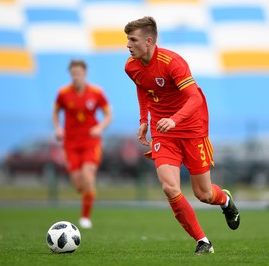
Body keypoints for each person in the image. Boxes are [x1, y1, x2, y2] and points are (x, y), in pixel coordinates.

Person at [124, 16, 240, 255]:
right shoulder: (131, 66)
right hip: (163, 133)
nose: (128, 45)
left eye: (133, 40)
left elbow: (195, 97)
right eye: (127, 40)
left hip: (191, 129)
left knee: (204, 194)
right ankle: (203, 241)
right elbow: (143, 88)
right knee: (169, 187)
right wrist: (144, 121)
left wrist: (175, 119)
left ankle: (225, 200)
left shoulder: (172, 62)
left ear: (148, 41)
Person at [53, 60, 113, 229]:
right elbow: (56, 112)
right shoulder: (63, 93)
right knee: (78, 184)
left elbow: (108, 115)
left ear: (84, 74)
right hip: (70, 143)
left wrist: (100, 127)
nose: (75, 76)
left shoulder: (96, 92)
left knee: (88, 176)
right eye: (73, 73)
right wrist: (58, 128)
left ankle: (85, 217)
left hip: (90, 141)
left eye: (78, 73)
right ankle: (87, 194)